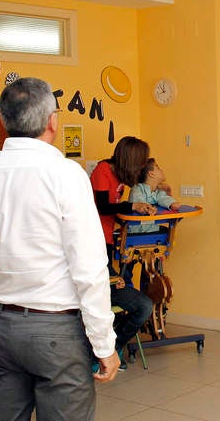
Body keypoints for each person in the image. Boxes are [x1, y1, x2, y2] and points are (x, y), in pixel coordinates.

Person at [0, 77, 120, 421]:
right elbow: (89, 269)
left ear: (4, 120)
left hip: (0, 329)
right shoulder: (66, 175)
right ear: (52, 121)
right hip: (57, 332)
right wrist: (104, 343)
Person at [90, 137, 155, 371]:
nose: (142, 168)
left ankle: (111, 349)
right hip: (93, 247)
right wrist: (131, 206)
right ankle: (102, 353)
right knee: (132, 301)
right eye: (140, 163)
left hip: (107, 244)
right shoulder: (103, 170)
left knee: (138, 303)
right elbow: (102, 206)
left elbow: (114, 211)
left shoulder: (121, 177)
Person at [128, 158, 182, 233]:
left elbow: (163, 198)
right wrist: (147, 208)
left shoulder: (157, 192)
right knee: (168, 233)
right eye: (158, 167)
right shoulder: (137, 189)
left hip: (152, 228)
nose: (161, 170)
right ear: (151, 173)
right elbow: (139, 203)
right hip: (136, 231)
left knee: (170, 233)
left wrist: (172, 204)